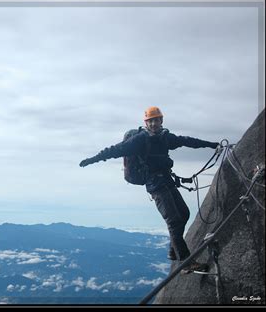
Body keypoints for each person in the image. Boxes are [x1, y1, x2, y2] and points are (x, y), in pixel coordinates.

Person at [79, 106, 219, 273]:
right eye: (150, 120)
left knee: (184, 213)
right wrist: (91, 159)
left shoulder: (166, 137)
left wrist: (212, 145)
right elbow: (114, 150)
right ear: (146, 122)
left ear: (161, 120)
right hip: (154, 184)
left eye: (156, 120)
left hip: (167, 179)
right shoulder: (139, 140)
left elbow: (187, 141)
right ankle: (185, 262)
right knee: (173, 220)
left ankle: (173, 250)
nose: (154, 123)